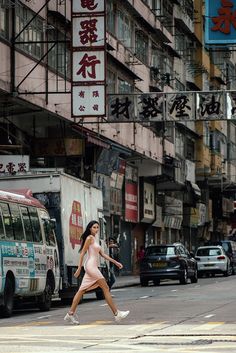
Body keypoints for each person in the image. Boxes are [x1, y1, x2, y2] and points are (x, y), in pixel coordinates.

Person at [64, 220, 129, 325]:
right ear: (90, 228)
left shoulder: (95, 239)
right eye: (94, 227)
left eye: (97, 227)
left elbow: (103, 255)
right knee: (105, 287)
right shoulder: (89, 238)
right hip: (91, 266)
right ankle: (117, 314)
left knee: (81, 290)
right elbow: (82, 253)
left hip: (93, 266)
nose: (96, 229)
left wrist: (116, 262)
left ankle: (70, 314)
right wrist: (79, 268)